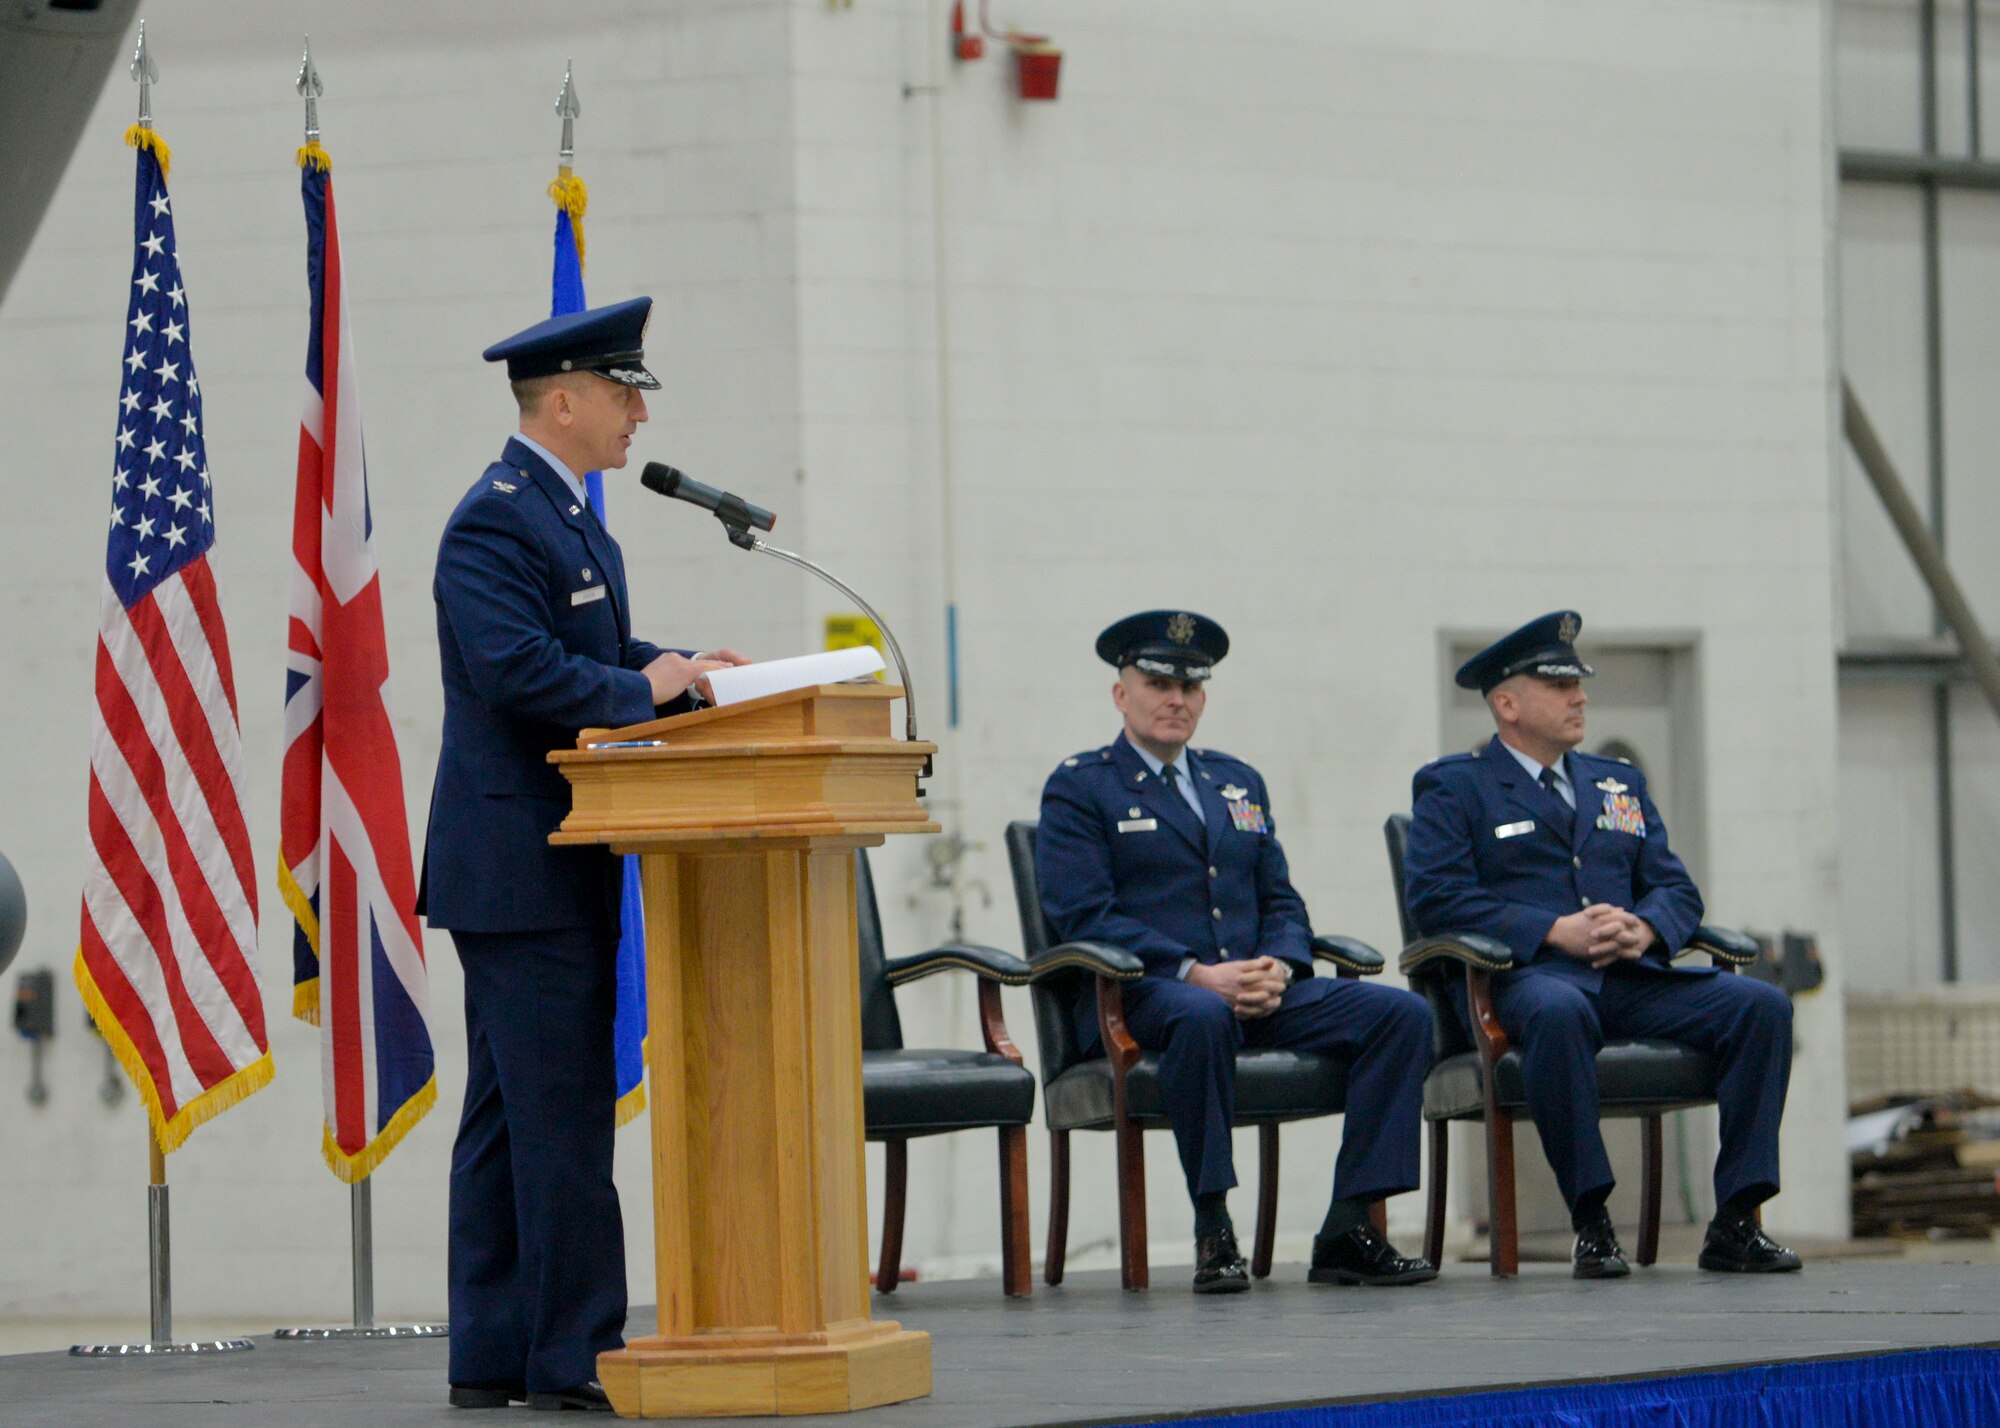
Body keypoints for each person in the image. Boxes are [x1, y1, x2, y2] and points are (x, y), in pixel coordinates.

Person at [418, 297, 747, 1411]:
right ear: (562, 399)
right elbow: (518, 673)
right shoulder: (494, 520)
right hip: (520, 863)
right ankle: (570, 1360)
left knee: (512, 1115)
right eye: (623, 393)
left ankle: (496, 1357)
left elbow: (588, 649)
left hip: (548, 860)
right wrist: (639, 691)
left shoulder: (565, 515)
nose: (638, 417)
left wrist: (683, 669)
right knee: (557, 1123)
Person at [1036, 610, 1437, 1293]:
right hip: (1144, 994)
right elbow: (1083, 914)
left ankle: (1348, 1226)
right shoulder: (1082, 786)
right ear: (1121, 694)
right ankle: (1213, 1226)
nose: (1176, 699)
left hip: (1252, 986)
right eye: (1158, 682)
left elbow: (1281, 897)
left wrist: (1279, 964)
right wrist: (1196, 972)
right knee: (1201, 1015)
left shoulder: (1237, 782)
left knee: (1401, 1017)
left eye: (1191, 688)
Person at [1402, 610, 1799, 1278]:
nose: (1579, 696)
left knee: (1762, 1008)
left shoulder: (1618, 783)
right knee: (1560, 1012)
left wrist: (1645, 927)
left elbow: (1676, 889)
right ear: (1507, 703)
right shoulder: (1456, 786)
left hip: (1630, 976)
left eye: (1578, 684)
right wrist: (1552, 930)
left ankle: (1737, 1217)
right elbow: (1436, 899)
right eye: (1558, 686)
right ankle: (1591, 1220)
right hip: (1528, 982)